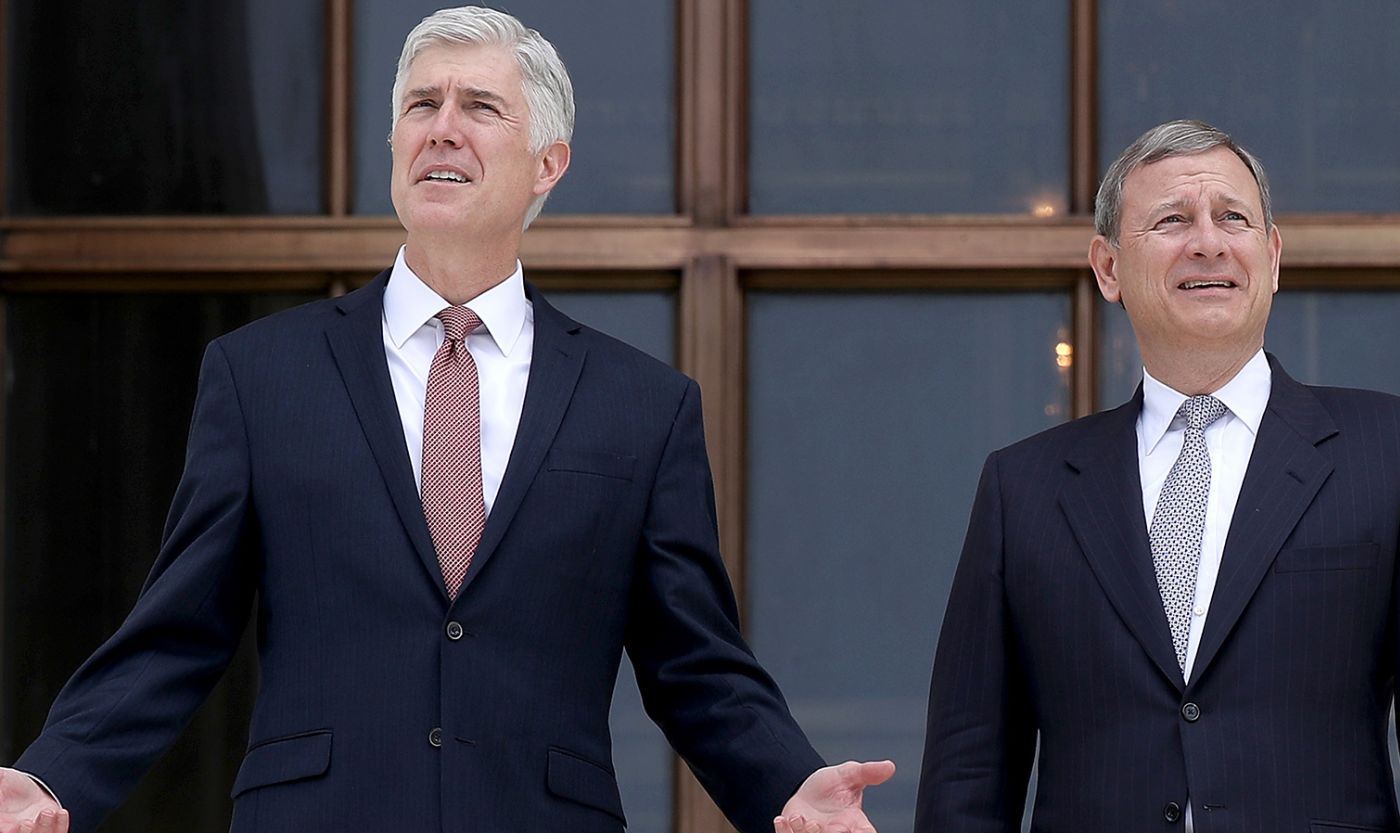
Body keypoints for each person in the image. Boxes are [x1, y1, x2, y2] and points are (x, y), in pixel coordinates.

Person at [0, 7, 892, 833]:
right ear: (394, 142)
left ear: (549, 162)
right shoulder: (260, 374)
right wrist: (53, 777)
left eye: (480, 106)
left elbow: (695, 664)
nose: (442, 125)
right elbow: (177, 629)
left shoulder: (644, 407)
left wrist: (786, 784)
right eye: (422, 102)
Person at [916, 119, 1400, 831]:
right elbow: (969, 768)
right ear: (1109, 268)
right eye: (1172, 219)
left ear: (1272, 257)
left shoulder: (1398, 452)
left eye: (1233, 217)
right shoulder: (1022, 488)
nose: (1208, 241)